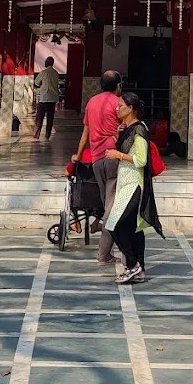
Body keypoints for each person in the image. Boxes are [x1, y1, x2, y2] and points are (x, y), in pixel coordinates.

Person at [103, 91, 163, 284]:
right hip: (125, 183)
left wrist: (118, 155)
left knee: (114, 224)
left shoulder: (139, 130)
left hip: (134, 184)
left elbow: (141, 160)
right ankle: (140, 270)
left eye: (121, 105)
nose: (117, 108)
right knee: (132, 228)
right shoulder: (128, 129)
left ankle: (132, 263)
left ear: (131, 109)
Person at [74, 70, 124, 266]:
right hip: (113, 157)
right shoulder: (117, 103)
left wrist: (78, 156)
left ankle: (107, 245)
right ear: (118, 85)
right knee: (113, 207)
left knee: (107, 203)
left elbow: (85, 133)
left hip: (96, 160)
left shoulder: (92, 102)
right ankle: (104, 253)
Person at [34, 57, 60, 141]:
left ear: (46, 63)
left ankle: (37, 134)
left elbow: (36, 82)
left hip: (44, 98)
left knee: (40, 117)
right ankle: (47, 136)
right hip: (53, 98)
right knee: (50, 118)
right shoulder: (56, 73)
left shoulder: (44, 72)